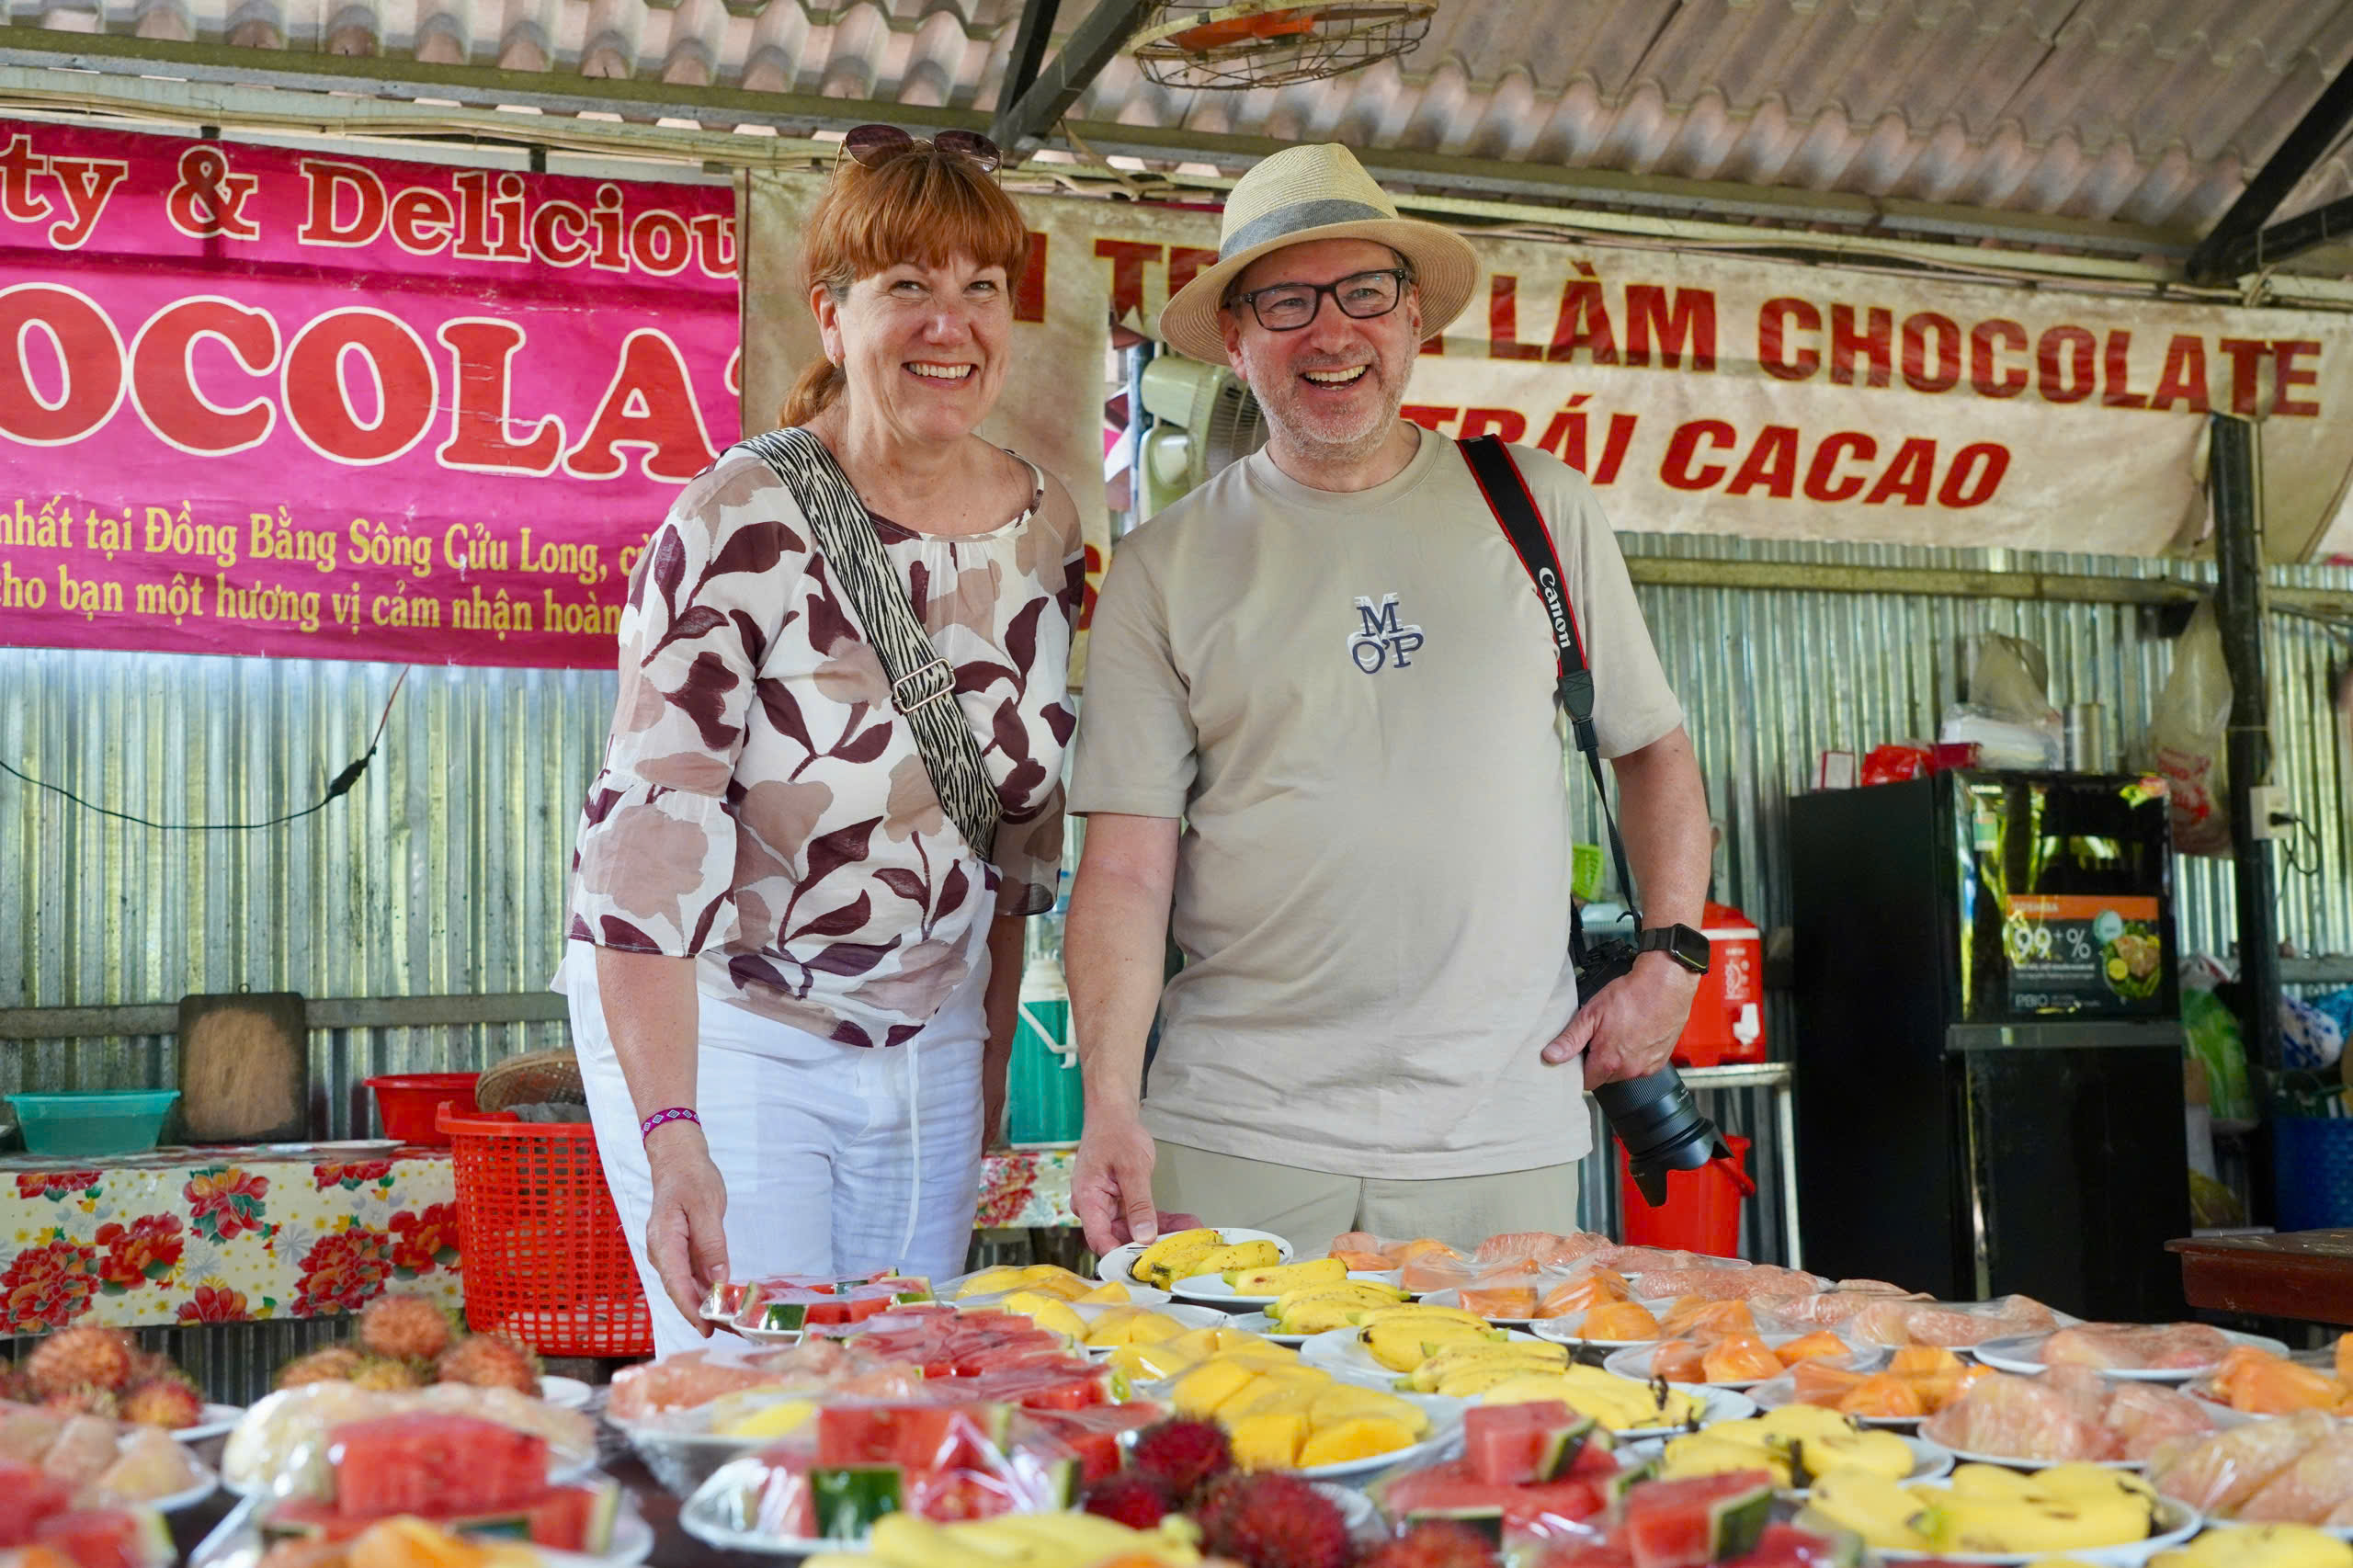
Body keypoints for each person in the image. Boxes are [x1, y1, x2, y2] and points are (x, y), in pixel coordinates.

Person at [1065, 142, 1713, 1257]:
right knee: (1233, 1435)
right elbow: (1125, 862)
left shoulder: (1536, 503)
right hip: (1236, 1124)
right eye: (1286, 301)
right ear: (1234, 337)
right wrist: (1109, 1102)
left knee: (1504, 1429)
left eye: (1365, 292)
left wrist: (1672, 958)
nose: (1331, 332)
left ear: (1413, 318)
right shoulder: (1162, 564)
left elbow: (1651, 748)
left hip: (1501, 1121)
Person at [558, 128, 1084, 1351]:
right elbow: (645, 844)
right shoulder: (740, 515)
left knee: (906, 1388)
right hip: (738, 1028)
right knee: (760, 1398)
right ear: (831, 315)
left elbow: (1019, 837)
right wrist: (669, 1130)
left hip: (933, 1033)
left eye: (979, 288)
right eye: (907, 285)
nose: (948, 324)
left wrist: (994, 1050)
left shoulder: (1046, 528)